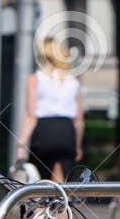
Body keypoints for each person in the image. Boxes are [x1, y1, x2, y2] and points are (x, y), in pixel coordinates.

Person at [18, 36, 84, 182]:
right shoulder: (73, 81)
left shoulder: (35, 79)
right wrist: (78, 145)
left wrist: (21, 143)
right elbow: (79, 120)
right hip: (67, 132)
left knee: (41, 183)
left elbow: (31, 116)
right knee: (61, 184)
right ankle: (60, 204)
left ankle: (41, 205)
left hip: (44, 131)